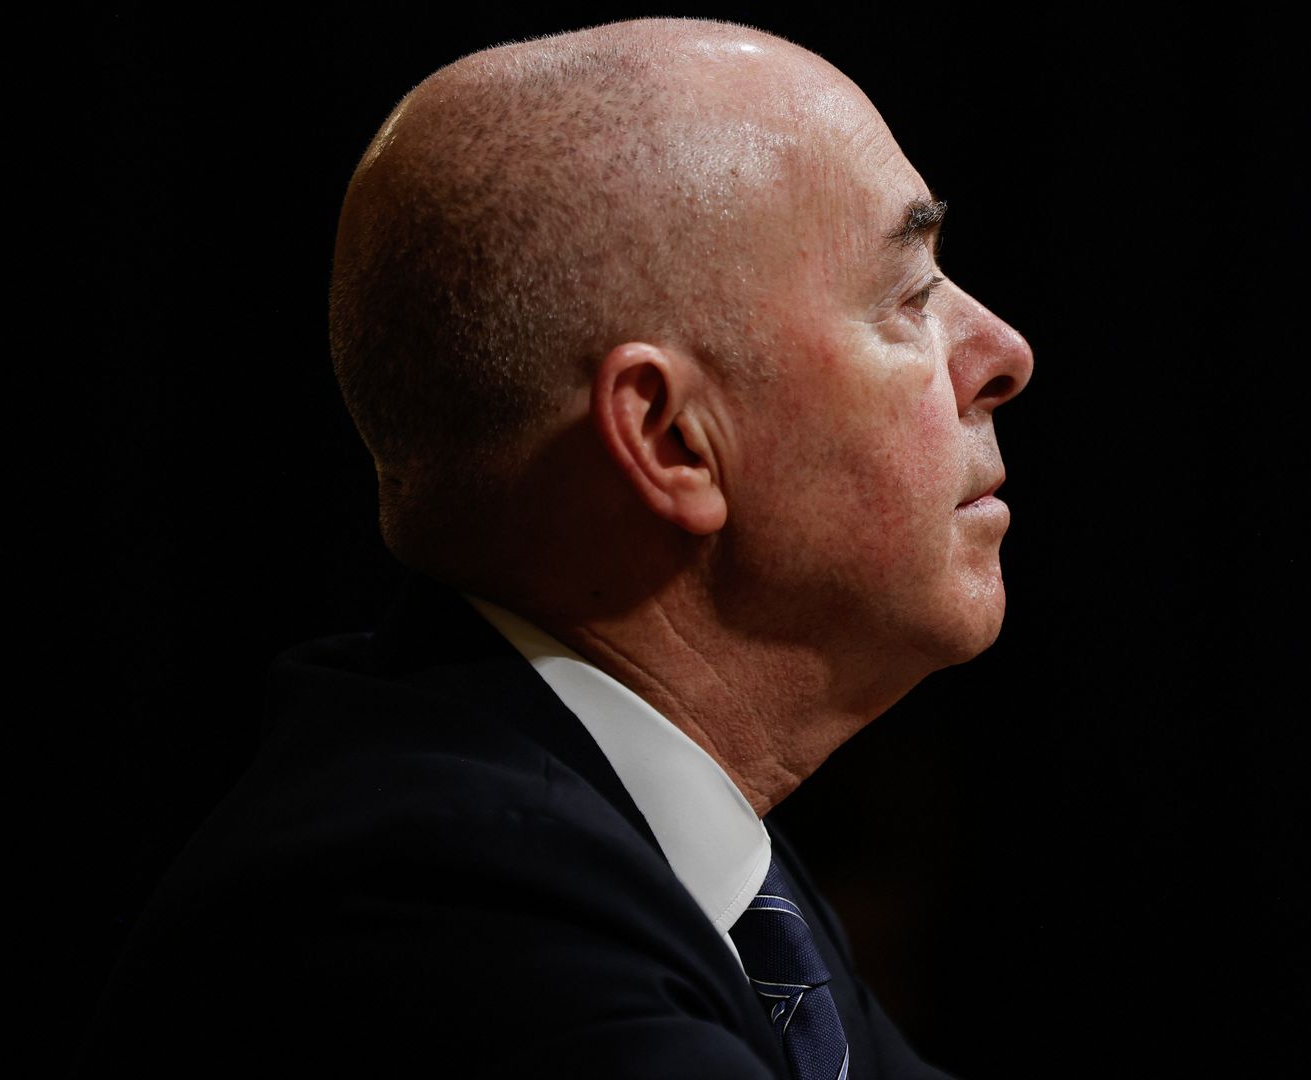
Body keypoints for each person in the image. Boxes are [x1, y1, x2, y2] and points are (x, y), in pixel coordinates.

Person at [79, 17, 1031, 1079]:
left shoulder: (675, 864)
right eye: (910, 297)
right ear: (673, 441)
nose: (1004, 354)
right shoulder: (443, 908)